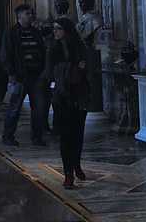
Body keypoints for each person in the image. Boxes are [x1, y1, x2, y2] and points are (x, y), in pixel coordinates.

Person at [47, 17, 90, 189]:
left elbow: (86, 68)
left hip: (78, 96)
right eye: (54, 29)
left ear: (66, 30)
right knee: (65, 136)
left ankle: (76, 164)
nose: (55, 32)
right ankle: (68, 173)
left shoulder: (78, 47)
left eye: (58, 28)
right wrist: (72, 68)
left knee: (78, 134)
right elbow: (51, 71)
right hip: (61, 97)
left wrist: (73, 69)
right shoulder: (53, 48)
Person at [0, 5, 48, 146]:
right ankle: (8, 136)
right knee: (14, 108)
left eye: (31, 13)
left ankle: (37, 137)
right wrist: (11, 73)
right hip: (20, 77)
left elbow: (42, 51)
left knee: (38, 108)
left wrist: (43, 71)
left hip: (36, 76)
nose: (31, 15)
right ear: (19, 16)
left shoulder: (36, 32)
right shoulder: (11, 33)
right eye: (27, 14)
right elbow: (5, 54)